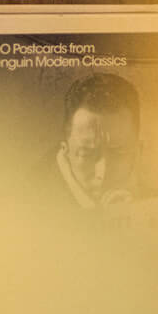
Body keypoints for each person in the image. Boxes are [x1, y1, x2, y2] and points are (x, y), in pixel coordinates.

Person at [43, 71, 143, 217]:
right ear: (66, 152)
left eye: (118, 153)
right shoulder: (23, 210)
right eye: (86, 154)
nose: (103, 173)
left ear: (139, 151)